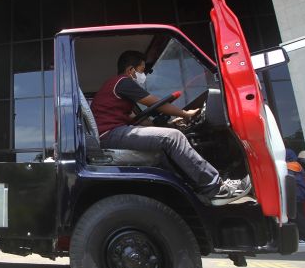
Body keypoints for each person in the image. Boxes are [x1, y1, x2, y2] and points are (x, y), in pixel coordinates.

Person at [90, 50, 250, 206]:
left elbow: (136, 120)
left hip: (113, 133)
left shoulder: (117, 90)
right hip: (110, 134)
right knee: (174, 137)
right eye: (142, 70)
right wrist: (185, 114)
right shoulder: (123, 82)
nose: (143, 75)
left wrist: (170, 124)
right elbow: (154, 103)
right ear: (131, 70)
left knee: (166, 143)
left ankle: (194, 190)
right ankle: (217, 189)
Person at [287, 149, 305, 244]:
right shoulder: (296, 165)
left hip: (295, 195)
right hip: (299, 194)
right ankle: (303, 237)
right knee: (299, 215)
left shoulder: (291, 167)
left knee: (298, 216)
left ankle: (304, 238)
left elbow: (288, 181)